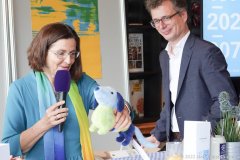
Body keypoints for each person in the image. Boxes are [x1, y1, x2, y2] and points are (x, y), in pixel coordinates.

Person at [2, 22, 132, 159]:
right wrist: (44, 124)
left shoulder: (82, 82)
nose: (69, 60)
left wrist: (125, 109)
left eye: (72, 53)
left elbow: (109, 102)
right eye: (61, 53)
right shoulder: (20, 89)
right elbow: (8, 146)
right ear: (43, 51)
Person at [144, 0, 238, 144]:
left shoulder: (206, 52)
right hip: (174, 142)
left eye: (166, 18)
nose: (161, 26)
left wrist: (199, 135)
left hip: (203, 145)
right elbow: (172, 103)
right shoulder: (164, 56)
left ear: (183, 15)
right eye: (156, 21)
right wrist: (157, 134)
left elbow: (226, 102)